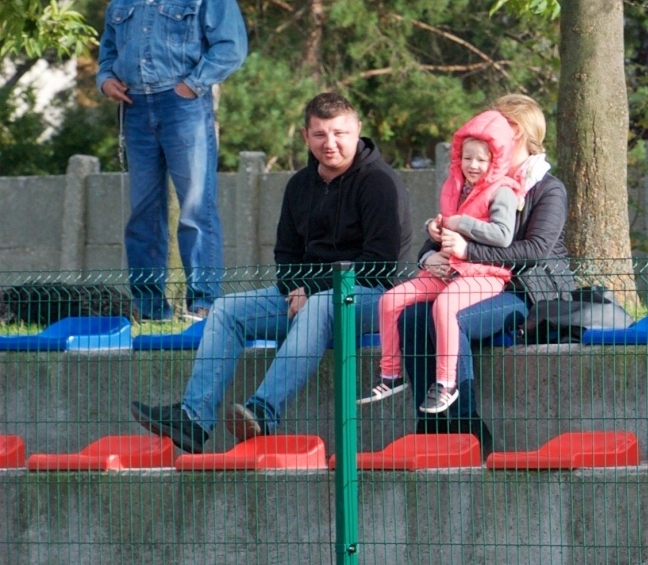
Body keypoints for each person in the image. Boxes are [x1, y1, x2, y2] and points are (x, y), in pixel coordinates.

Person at [131, 93, 409, 452]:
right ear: (306, 137)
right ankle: (193, 420)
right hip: (307, 296)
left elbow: (380, 264)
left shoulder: (380, 183)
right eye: (320, 134)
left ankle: (262, 411)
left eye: (340, 133)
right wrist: (296, 285)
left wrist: (309, 288)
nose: (331, 143)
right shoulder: (299, 186)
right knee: (227, 310)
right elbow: (286, 253)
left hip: (371, 297)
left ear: (357, 132)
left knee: (321, 305)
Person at [397, 94, 576, 455]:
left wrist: (469, 251)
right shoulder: (476, 182)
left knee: (454, 315)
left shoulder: (547, 189)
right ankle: (430, 423)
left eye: (499, 131)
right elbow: (449, 233)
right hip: (471, 281)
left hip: (524, 292)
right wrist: (429, 254)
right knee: (412, 317)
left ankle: (467, 427)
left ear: (519, 136)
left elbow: (535, 251)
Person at [97, 0, 248, 321]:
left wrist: (191, 86)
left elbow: (231, 47)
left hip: (183, 106)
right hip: (135, 108)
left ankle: (203, 305)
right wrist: (105, 78)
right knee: (143, 212)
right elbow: (108, 46)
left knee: (196, 207)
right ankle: (149, 308)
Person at [362, 110, 525, 415]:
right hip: (449, 269)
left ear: (496, 161)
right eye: (467, 158)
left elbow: (503, 235)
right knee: (391, 300)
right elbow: (448, 226)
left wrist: (459, 223)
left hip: (485, 273)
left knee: (446, 306)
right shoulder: (455, 186)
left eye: (481, 160)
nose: (473, 165)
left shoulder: (502, 191)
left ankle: (447, 383)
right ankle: (391, 374)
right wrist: (435, 229)